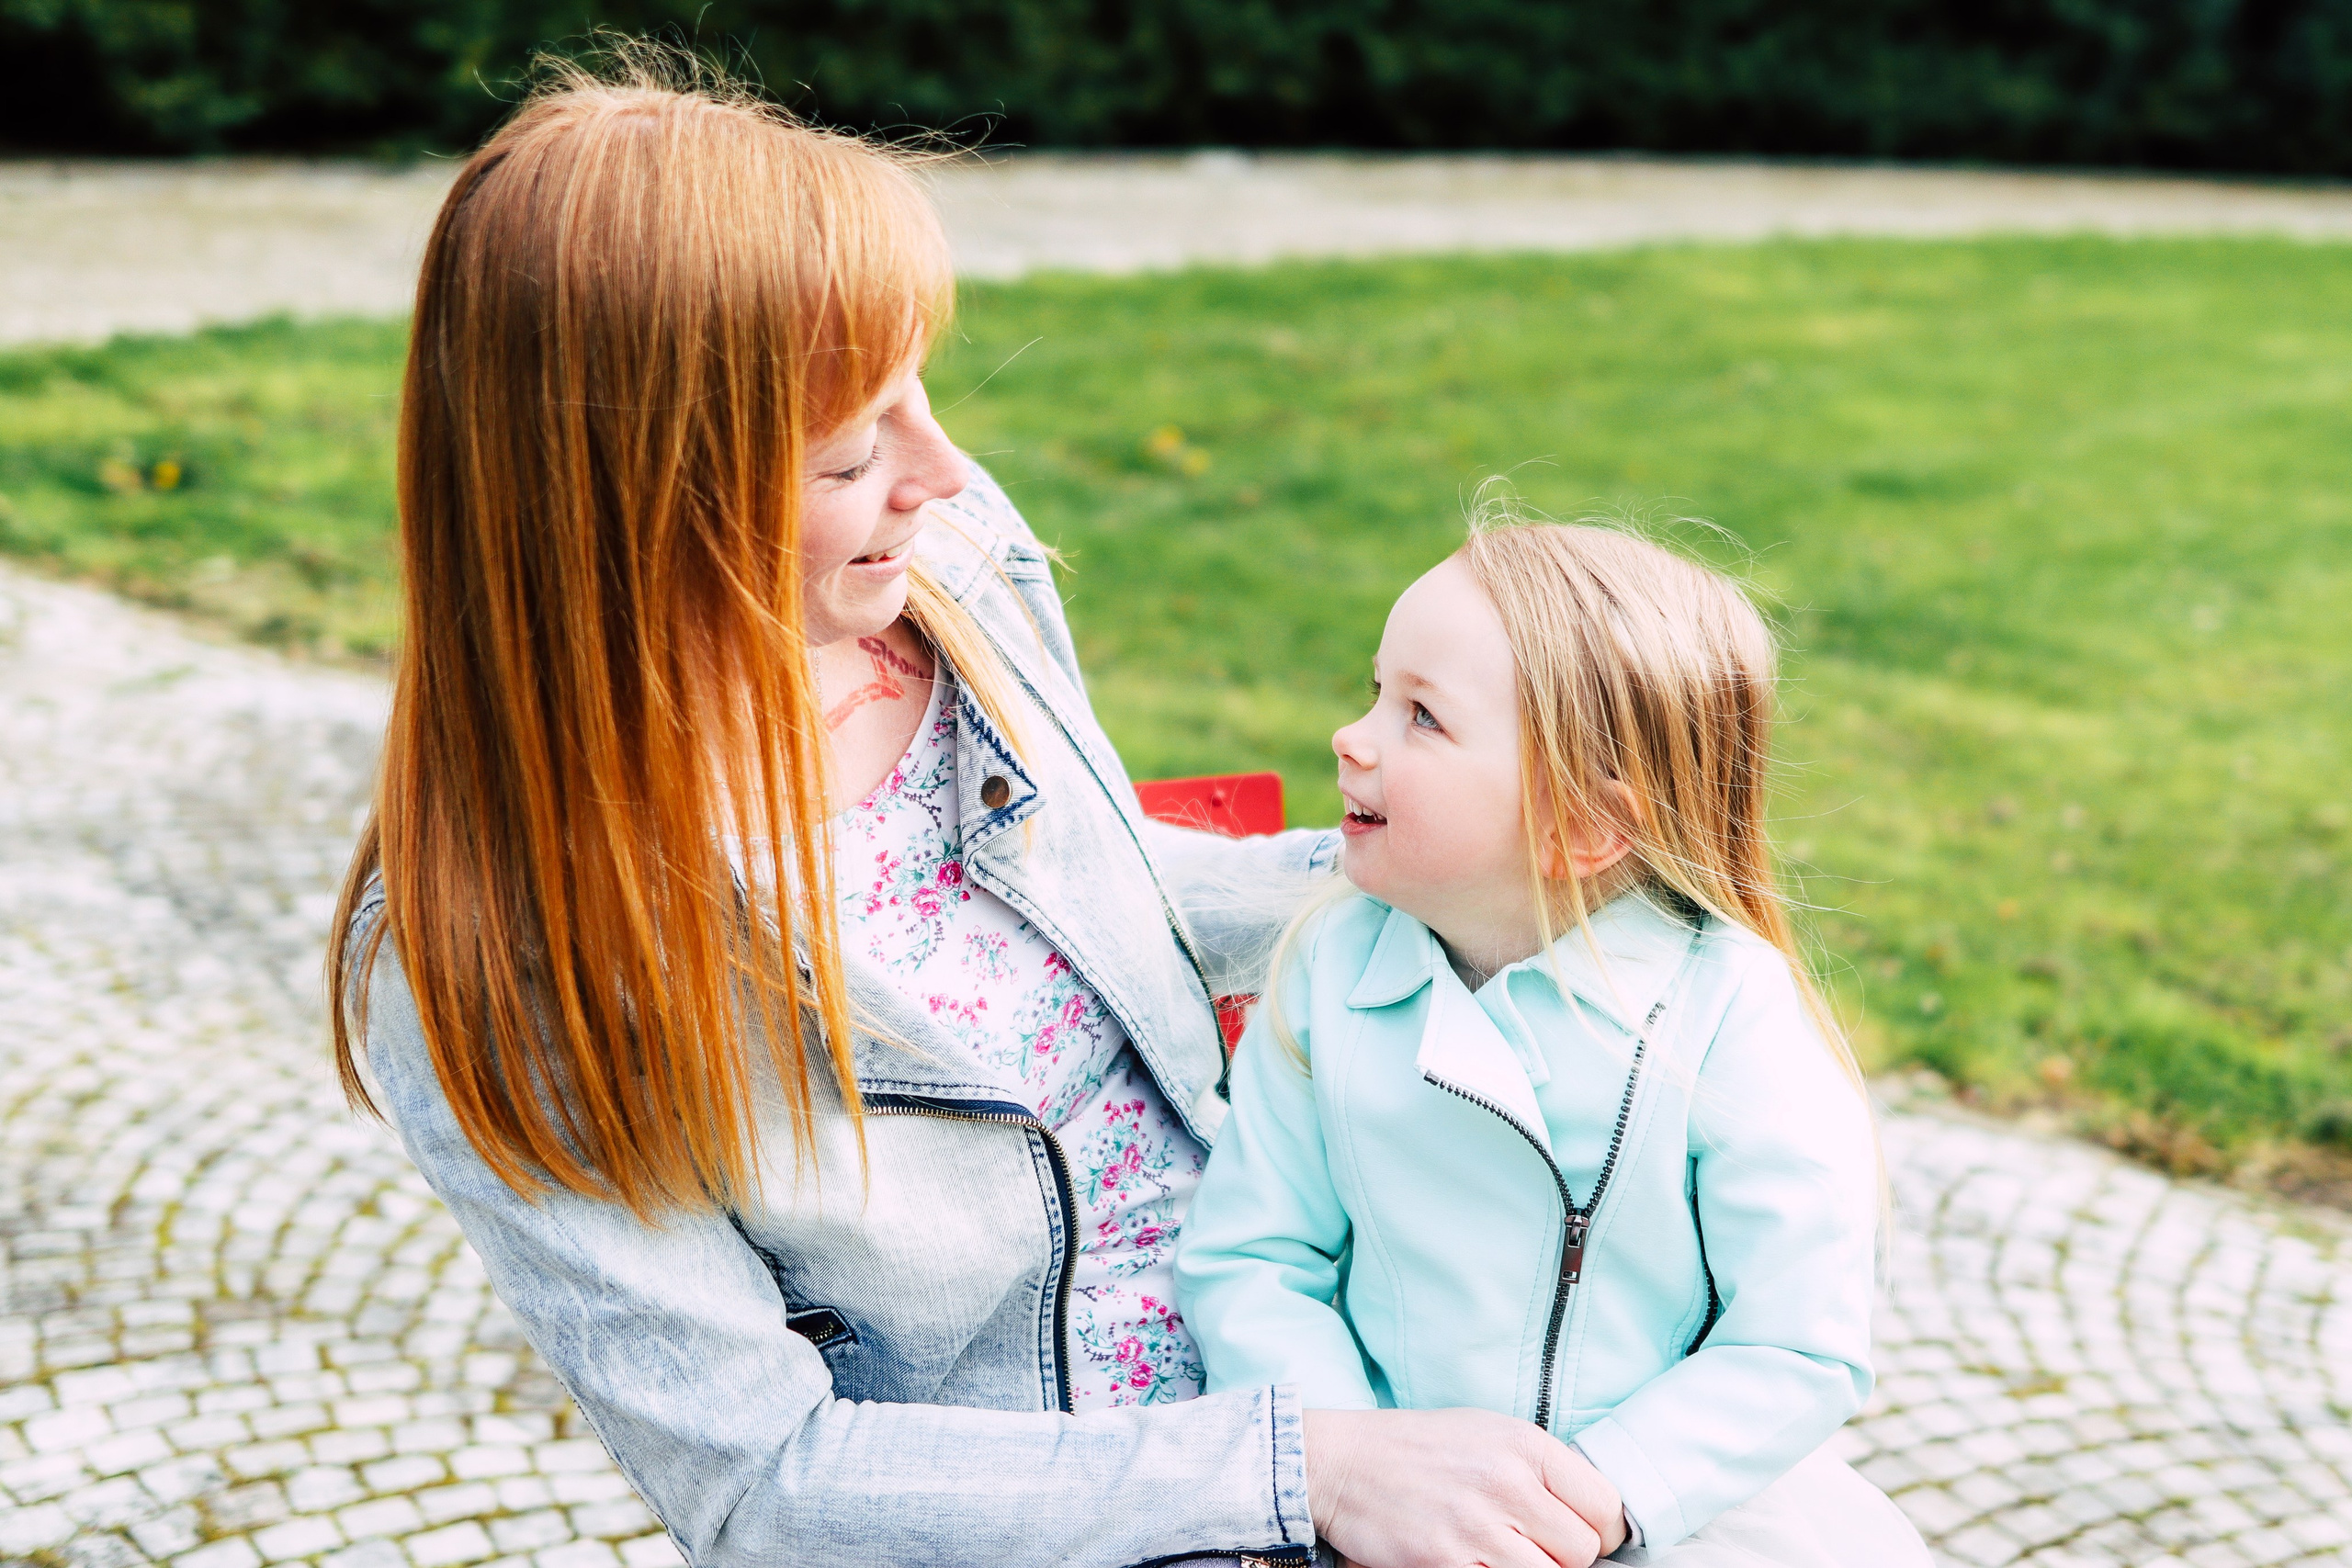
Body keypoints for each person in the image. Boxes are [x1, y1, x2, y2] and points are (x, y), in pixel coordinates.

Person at [329, 49, 1631, 1568]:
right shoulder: (495, 959)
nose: (941, 472)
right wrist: (1303, 1472)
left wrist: (1488, 863)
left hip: (1320, 1313)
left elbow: (1110, 903)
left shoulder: (943, 570)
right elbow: (771, 1487)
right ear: (637, 497)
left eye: (915, 393)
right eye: (850, 450)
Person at [1175, 520, 1933, 1564]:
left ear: (1581, 824)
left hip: (1657, 1516)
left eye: (1422, 718)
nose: (1352, 737)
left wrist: (1595, 1500)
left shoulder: (1725, 1010)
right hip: (1380, 1520)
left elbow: (1796, 1339)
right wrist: (1344, 1460)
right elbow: (1254, 1254)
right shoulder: (1331, 968)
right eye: (1375, 692)